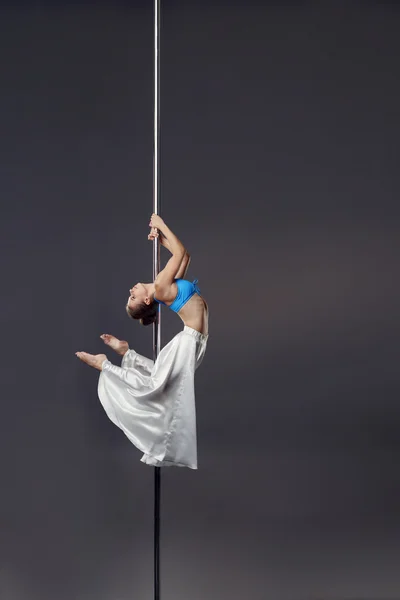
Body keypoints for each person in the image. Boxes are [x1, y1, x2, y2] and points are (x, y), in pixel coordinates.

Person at [76, 214, 209, 469]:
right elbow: (180, 252)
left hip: (195, 340)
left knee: (162, 381)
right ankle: (106, 364)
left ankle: (125, 353)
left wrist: (162, 242)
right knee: (156, 385)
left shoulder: (162, 286)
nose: (131, 291)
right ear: (146, 301)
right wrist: (161, 226)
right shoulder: (159, 288)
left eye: (129, 296)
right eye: (132, 298)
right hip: (189, 340)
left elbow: (184, 256)